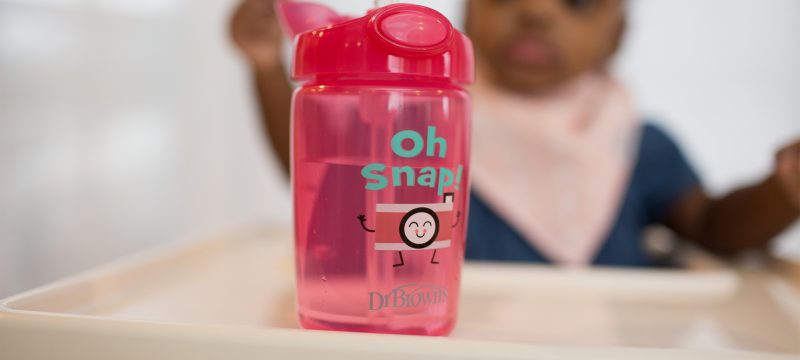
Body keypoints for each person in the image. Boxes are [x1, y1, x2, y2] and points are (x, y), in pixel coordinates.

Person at [231, 0, 800, 266]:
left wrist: (782, 192)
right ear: (467, 14)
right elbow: (326, 172)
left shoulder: (638, 140)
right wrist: (265, 65)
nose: (535, 10)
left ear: (616, 35)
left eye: (577, 3)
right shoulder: (422, 120)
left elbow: (710, 228)